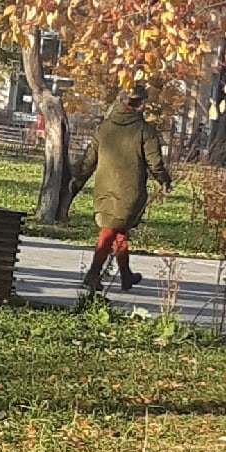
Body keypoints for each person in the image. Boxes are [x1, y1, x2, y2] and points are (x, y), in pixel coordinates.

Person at [72, 84, 172, 294]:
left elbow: (89, 159)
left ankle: (125, 275)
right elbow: (155, 163)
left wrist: (77, 179)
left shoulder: (104, 128)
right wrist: (164, 180)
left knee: (117, 231)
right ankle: (93, 273)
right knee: (111, 230)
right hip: (129, 191)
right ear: (142, 104)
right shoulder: (145, 131)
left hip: (104, 188)